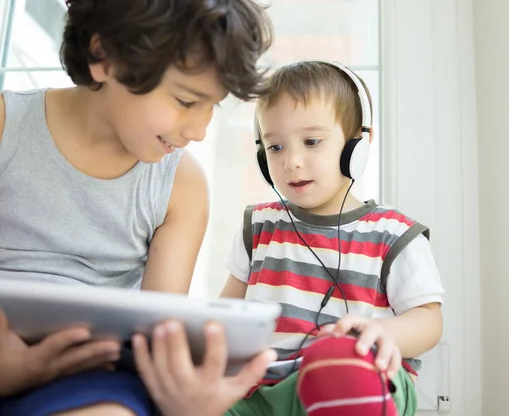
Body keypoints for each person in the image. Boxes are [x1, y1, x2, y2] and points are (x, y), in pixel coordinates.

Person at [0, 1, 275, 415]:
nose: (199, 130)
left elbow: (157, 333)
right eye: (187, 101)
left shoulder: (182, 186)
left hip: (90, 371)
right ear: (104, 57)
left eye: (213, 106)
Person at [133, 61, 445, 416]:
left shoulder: (394, 234)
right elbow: (228, 313)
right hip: (264, 391)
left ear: (357, 144)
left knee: (340, 360)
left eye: (312, 142)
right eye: (275, 147)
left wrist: (386, 333)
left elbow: (429, 320)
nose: (291, 161)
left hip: (355, 376)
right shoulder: (260, 226)